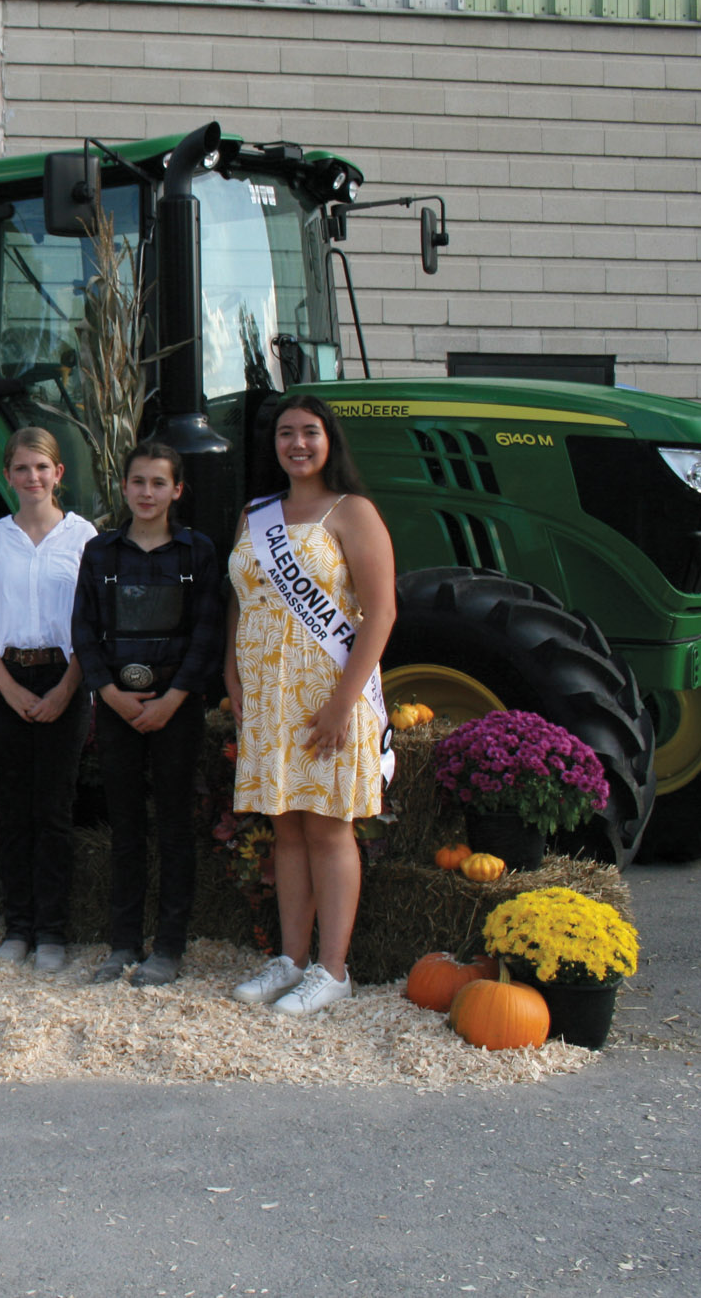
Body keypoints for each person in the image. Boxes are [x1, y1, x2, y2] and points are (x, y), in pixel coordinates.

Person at [225, 396, 396, 1017]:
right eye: (285, 433)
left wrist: (341, 705)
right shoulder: (255, 514)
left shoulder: (354, 512)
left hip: (328, 694)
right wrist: (232, 676)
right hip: (268, 697)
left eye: (310, 433)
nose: (297, 444)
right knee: (286, 828)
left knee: (328, 827)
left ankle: (333, 970)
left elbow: (381, 614)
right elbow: (241, 600)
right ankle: (291, 961)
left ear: (331, 441)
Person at [71, 443, 225, 986]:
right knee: (127, 826)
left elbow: (208, 634)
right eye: (138, 482)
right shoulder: (100, 553)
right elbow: (84, 631)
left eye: (159, 483)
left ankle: (170, 946)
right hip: (116, 708)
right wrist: (108, 694)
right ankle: (122, 942)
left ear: (177, 490)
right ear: (124, 487)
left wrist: (172, 699)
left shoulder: (197, 553)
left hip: (176, 709)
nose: (147, 493)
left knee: (176, 826)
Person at [0, 427, 96, 973]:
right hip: (5, 684)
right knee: (15, 810)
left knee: (54, 811)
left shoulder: (85, 538)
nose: (32, 477)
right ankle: (17, 927)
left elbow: (93, 624)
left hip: (66, 681)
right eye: (21, 468)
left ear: (58, 474)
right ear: (8, 475)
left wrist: (66, 690)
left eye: (42, 467)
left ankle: (52, 934)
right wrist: (10, 688)